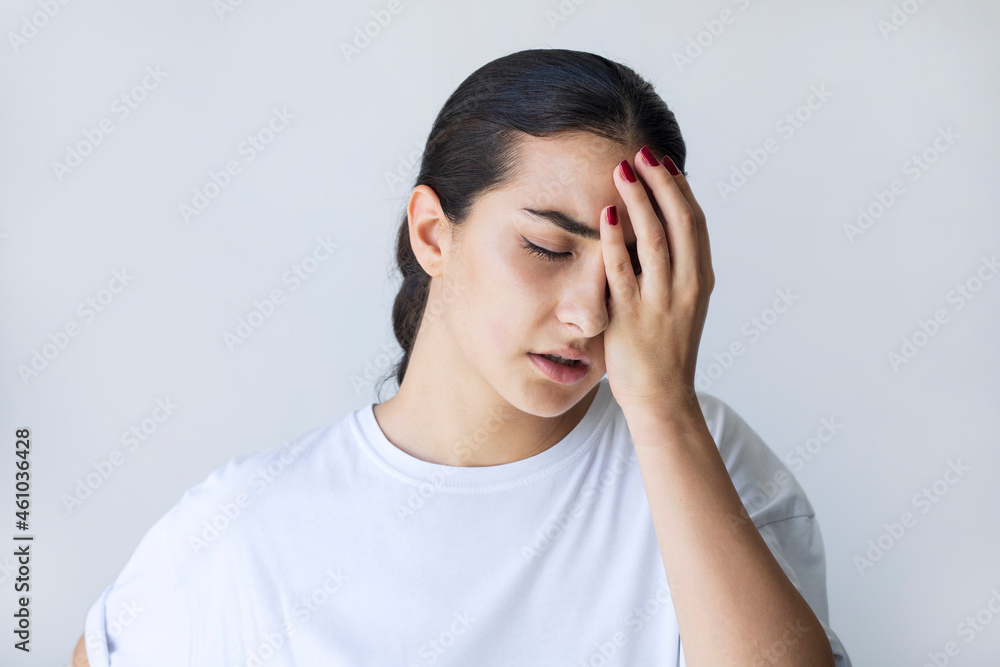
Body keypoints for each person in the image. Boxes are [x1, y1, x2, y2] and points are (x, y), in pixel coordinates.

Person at [73, 48, 852, 666]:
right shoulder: (244, 528)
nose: (588, 313)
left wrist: (664, 410)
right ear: (433, 233)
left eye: (628, 266)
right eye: (547, 247)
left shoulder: (709, 460)